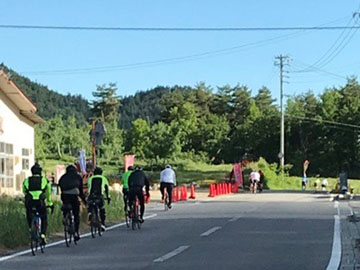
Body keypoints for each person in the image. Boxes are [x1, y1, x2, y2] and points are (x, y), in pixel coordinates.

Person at [23, 163, 53, 244]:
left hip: (30, 201)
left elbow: (24, 191)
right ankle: (43, 235)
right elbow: (48, 192)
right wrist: (50, 203)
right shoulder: (44, 180)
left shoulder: (26, 180)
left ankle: (30, 229)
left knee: (29, 213)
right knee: (44, 217)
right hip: (40, 202)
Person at [58, 164, 87, 241]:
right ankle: (76, 231)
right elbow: (80, 190)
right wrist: (84, 200)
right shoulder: (78, 177)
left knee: (66, 206)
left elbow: (60, 186)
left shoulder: (63, 177)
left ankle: (65, 216)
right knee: (76, 213)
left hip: (64, 195)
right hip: (74, 195)